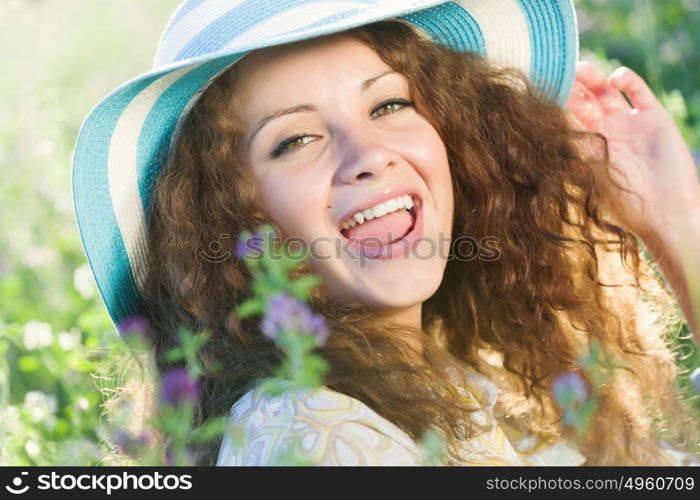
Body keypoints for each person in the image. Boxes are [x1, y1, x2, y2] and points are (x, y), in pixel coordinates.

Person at [72, 0, 700, 466]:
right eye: (295, 139)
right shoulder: (308, 432)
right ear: (232, 215)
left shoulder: (462, 379)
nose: (367, 152)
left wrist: (675, 221)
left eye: (388, 105)